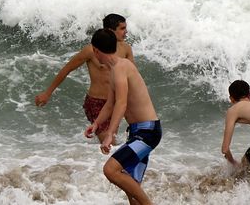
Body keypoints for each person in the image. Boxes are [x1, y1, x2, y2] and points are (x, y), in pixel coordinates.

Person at [84, 29, 161, 205]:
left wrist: (110, 133)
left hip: (148, 131)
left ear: (96, 51)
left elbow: (121, 103)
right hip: (138, 131)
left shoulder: (121, 67)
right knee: (131, 189)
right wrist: (96, 124)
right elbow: (110, 104)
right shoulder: (114, 70)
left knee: (111, 170)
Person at [34, 13, 133, 144]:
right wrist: (47, 93)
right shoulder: (92, 50)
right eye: (122, 28)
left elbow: (131, 76)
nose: (125, 32)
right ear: (110, 31)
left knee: (112, 141)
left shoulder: (126, 49)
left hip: (115, 102)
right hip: (97, 103)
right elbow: (67, 68)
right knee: (111, 143)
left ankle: (101, 162)